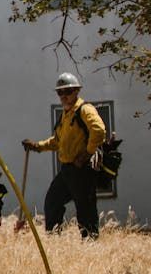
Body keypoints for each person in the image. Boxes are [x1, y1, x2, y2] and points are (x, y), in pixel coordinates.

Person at [21, 72, 106, 238]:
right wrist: (37, 146)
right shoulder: (66, 114)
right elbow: (57, 141)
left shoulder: (84, 109)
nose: (63, 96)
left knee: (85, 209)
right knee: (52, 201)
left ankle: (90, 244)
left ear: (76, 91)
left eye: (67, 91)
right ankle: (54, 240)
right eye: (60, 92)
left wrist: (87, 153)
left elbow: (99, 130)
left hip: (82, 170)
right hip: (67, 170)